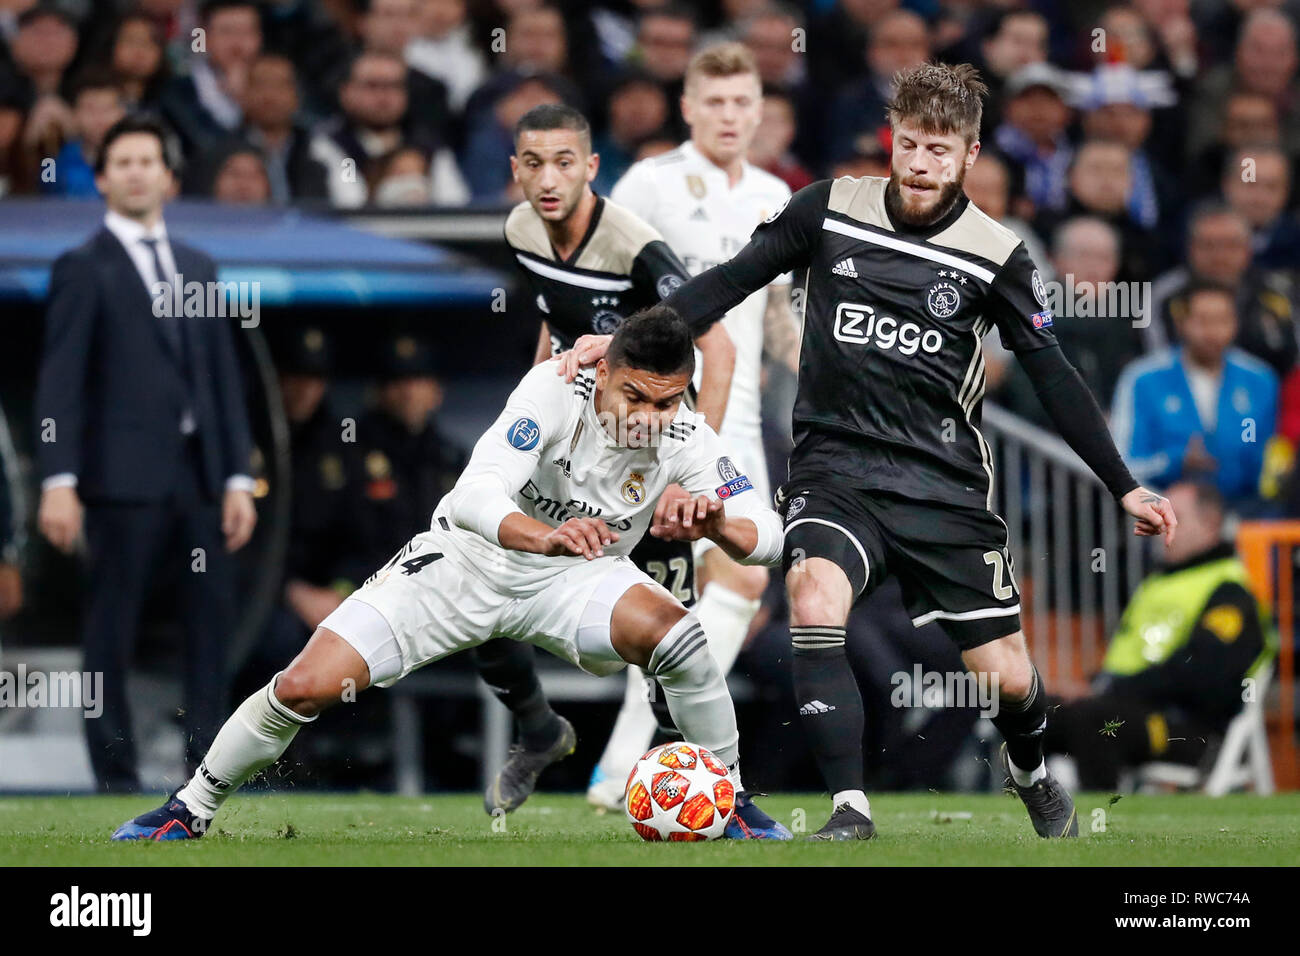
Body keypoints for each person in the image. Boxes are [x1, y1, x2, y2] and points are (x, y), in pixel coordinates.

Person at [561, 62, 1178, 840]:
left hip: (943, 485)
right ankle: (850, 810)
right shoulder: (828, 209)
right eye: (909, 144)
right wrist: (623, 340)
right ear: (893, 138)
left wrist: (1122, 484)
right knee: (814, 601)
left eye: (939, 152)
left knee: (1008, 679)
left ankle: (1029, 772)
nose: (919, 164)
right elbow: (726, 282)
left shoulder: (996, 255)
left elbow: (1053, 376)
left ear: (970, 156)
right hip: (835, 467)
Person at [111, 306, 790, 841]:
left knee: (681, 637)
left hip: (573, 582)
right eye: (636, 397)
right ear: (604, 372)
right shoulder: (552, 391)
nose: (650, 419)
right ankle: (189, 809)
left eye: (666, 403)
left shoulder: (684, 434)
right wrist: (545, 536)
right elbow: (472, 498)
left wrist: (717, 527)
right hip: (466, 565)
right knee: (304, 686)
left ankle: (726, 798)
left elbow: (767, 538)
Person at [471, 101, 736, 817]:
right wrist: (525, 413)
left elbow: (718, 346)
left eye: (565, 162)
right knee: (481, 595)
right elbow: (554, 331)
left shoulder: (635, 249)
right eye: (533, 163)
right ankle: (538, 729)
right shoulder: (521, 228)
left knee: (665, 645)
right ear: (515, 171)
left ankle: (717, 797)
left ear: (592, 167)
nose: (548, 178)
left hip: (641, 465)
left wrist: (689, 476)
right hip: (567, 453)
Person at [586, 42, 797, 810]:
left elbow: (778, 326)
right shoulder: (651, 183)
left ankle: (626, 766)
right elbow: (609, 293)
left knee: (741, 573)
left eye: (745, 102)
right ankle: (630, 762)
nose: (732, 116)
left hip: (734, 421)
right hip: (656, 414)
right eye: (716, 103)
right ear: (688, 107)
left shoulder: (776, 193)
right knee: (653, 585)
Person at [34, 114, 257, 792]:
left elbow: (221, 376)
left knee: (210, 630)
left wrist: (239, 475)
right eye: (122, 162)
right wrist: (59, 478)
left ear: (168, 176)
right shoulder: (81, 266)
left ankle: (205, 779)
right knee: (111, 635)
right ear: (101, 179)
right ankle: (116, 777)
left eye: (146, 160)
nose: (135, 171)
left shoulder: (198, 265)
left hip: (197, 480)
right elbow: (60, 381)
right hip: (117, 485)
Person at [1044, 481, 1272, 790]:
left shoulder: (1230, 593)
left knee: (1096, 722)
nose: (1160, 525)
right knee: (1033, 714)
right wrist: (1096, 685)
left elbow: (1200, 675)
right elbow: (1131, 662)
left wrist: (1107, 690)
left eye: (1174, 516)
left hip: (1188, 728)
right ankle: (1020, 824)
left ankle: (1097, 830)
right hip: (1127, 706)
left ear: (1211, 524)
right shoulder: (1157, 584)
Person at [1111, 280, 1278, 509]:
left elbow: (1262, 449)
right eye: (1203, 321)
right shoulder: (1143, 379)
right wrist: (1176, 461)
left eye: (1222, 320)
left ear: (1236, 323)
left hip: (1244, 512)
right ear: (1181, 323)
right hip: (1164, 513)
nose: (1213, 332)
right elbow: (1124, 465)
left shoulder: (1259, 380)